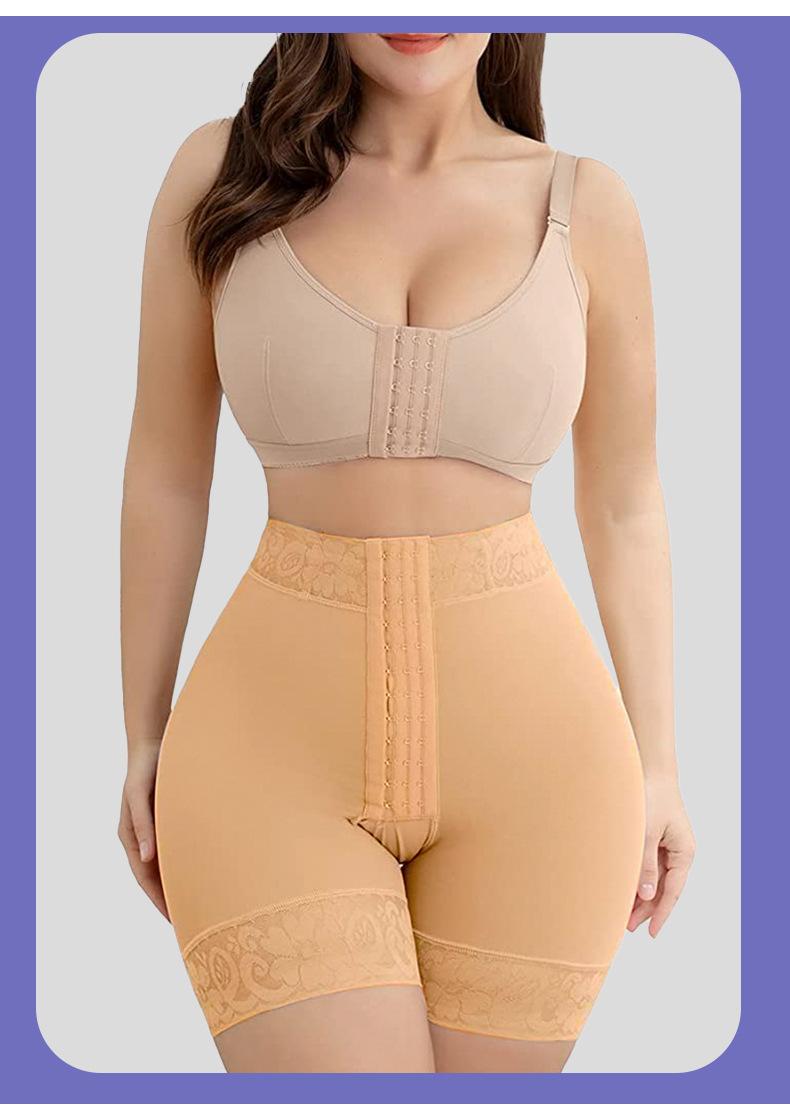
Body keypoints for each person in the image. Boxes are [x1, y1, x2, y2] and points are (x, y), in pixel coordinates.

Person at [118, 31, 695, 1074]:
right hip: (264, 748)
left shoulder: (586, 204)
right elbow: (164, 474)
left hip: (544, 767)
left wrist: (660, 765)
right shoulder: (221, 174)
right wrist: (141, 735)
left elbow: (624, 503)